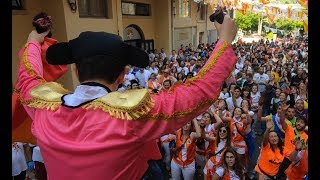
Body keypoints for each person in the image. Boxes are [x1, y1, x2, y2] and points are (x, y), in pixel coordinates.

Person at [14, 14, 237, 179]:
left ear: (75, 70)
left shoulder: (44, 110)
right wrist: (225, 42)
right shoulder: (132, 115)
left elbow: (27, 79)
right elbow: (198, 93)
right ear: (122, 75)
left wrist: (33, 41)